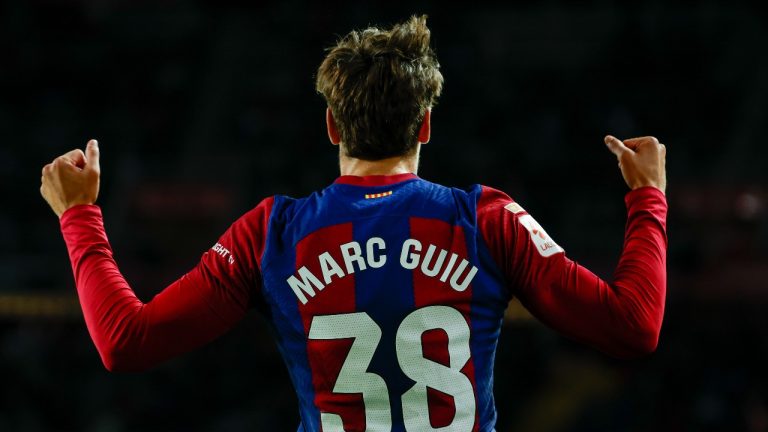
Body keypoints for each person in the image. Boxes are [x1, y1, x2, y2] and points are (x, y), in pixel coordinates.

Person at [40, 15, 667, 432]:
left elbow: (125, 342)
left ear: (333, 128)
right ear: (425, 126)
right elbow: (635, 326)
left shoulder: (272, 234)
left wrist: (80, 217)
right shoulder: (486, 220)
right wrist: (647, 199)